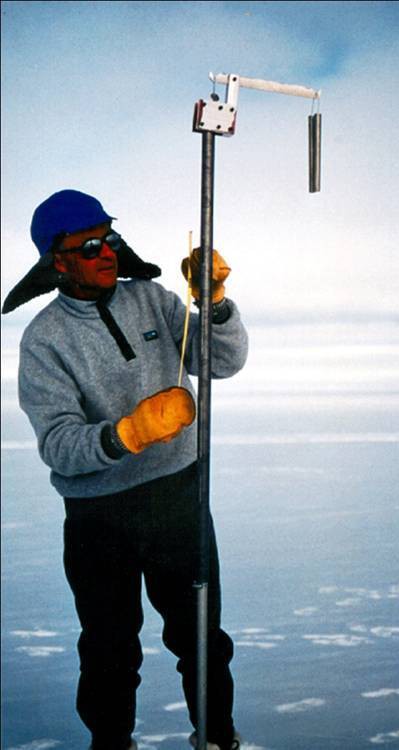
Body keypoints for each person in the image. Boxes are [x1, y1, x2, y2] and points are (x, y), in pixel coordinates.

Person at [2, 189, 248, 750]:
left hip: (179, 499)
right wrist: (125, 434)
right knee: (110, 647)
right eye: (87, 246)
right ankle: (111, 743)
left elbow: (223, 363)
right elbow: (59, 445)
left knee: (202, 636)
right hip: (99, 519)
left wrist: (213, 304)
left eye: (108, 238)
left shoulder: (153, 300)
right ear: (56, 261)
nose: (104, 251)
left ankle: (218, 739)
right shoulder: (44, 341)